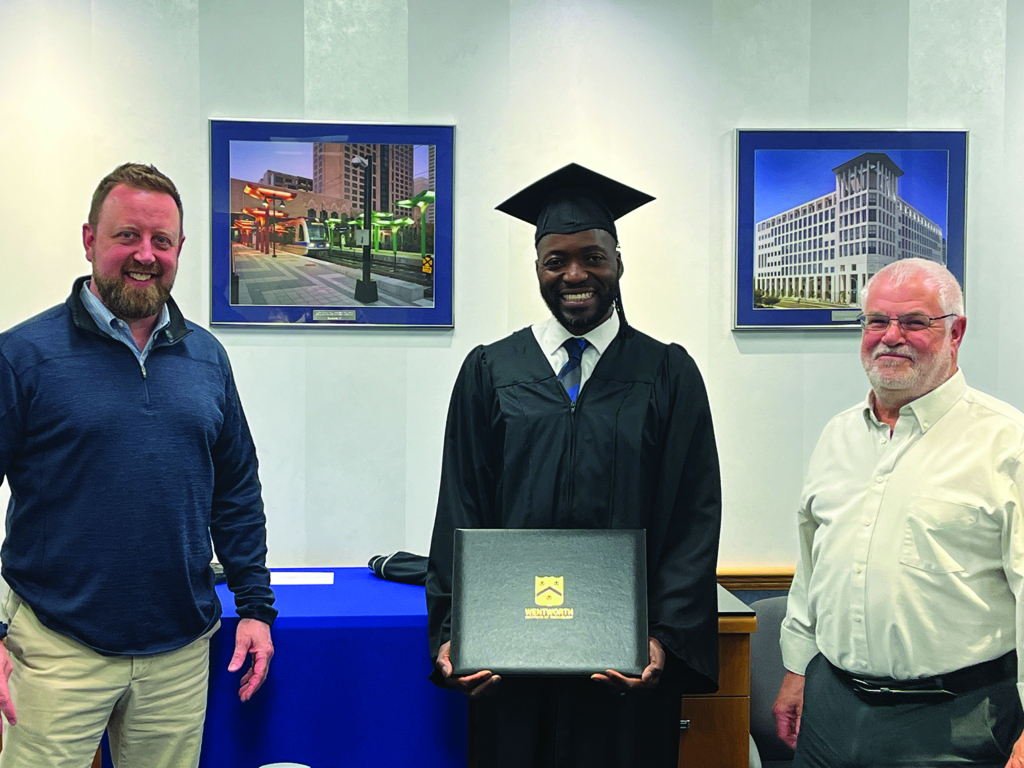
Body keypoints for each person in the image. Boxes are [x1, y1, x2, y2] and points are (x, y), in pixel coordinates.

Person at [426, 163, 722, 768]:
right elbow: (460, 508)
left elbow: (694, 519)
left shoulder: (667, 374)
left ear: (618, 260)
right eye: (555, 261)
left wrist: (663, 639)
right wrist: (455, 631)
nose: (575, 274)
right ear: (537, 269)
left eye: (592, 256)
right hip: (511, 673)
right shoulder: (490, 371)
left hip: (623, 672)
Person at [0, 163, 277, 767]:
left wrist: (255, 607)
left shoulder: (207, 357)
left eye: (161, 241)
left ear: (180, 249)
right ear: (89, 239)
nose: (145, 255)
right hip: (54, 648)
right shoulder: (22, 355)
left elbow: (234, 490)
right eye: (127, 236)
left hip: (178, 654)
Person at [773, 257, 1024, 767]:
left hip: (955, 722)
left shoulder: (1007, 444)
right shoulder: (838, 435)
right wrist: (797, 668)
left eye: (914, 322)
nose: (890, 336)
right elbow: (814, 564)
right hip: (830, 708)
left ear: (957, 333)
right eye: (876, 322)